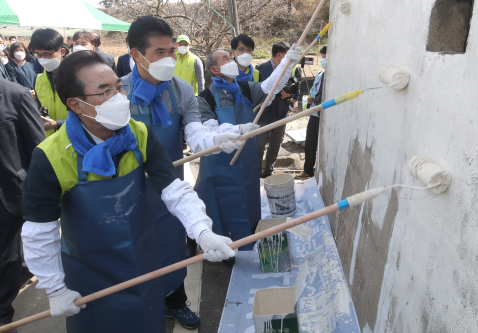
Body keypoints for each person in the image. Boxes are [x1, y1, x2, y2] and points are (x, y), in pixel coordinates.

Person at [20, 51, 235, 333]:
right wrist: (54, 288)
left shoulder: (138, 133)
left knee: (147, 320)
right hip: (90, 272)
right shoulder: (51, 156)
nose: (119, 97)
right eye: (104, 91)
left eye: (118, 88)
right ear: (76, 104)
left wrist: (202, 231)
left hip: (141, 259)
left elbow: (174, 189)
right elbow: (40, 230)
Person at [122, 16, 248, 328]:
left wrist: (216, 139)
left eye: (171, 51)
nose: (168, 59)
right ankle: (140, 308)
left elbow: (195, 136)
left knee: (171, 245)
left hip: (169, 187)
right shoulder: (116, 92)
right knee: (132, 251)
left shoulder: (180, 90)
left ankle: (175, 302)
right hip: (126, 191)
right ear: (136, 55)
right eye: (158, 53)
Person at [196, 45, 301, 262]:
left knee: (248, 202)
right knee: (222, 207)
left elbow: (270, 87)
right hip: (220, 164)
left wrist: (287, 64)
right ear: (214, 70)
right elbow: (209, 131)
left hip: (247, 162)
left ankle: (249, 241)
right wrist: (237, 131)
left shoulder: (244, 89)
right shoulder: (206, 97)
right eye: (225, 58)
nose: (232, 59)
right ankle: (225, 249)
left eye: (230, 56)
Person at [0, 78, 45, 332]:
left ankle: (3, 315)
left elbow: (37, 146)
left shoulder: (15, 95)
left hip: (7, 191)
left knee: (5, 255)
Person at [256, 41, 302, 178]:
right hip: (264, 114)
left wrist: (291, 95)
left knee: (276, 144)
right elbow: (257, 89)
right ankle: (257, 170)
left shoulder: (293, 68)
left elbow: (297, 87)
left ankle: (269, 170)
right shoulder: (261, 68)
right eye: (288, 54)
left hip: (281, 113)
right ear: (280, 55)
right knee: (259, 144)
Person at [296, 46, 327, 180]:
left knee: (322, 145)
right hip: (314, 114)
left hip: (325, 115)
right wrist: (310, 100)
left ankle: (320, 172)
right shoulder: (320, 74)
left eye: (325, 56)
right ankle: (308, 170)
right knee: (310, 144)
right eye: (323, 56)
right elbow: (314, 91)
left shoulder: (334, 76)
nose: (323, 59)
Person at [31, 28, 69, 136]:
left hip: (74, 140)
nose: (42, 59)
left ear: (61, 52)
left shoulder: (77, 77)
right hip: (49, 141)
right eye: (38, 55)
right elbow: (40, 108)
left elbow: (88, 117)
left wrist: (57, 124)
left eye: (46, 54)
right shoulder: (38, 79)